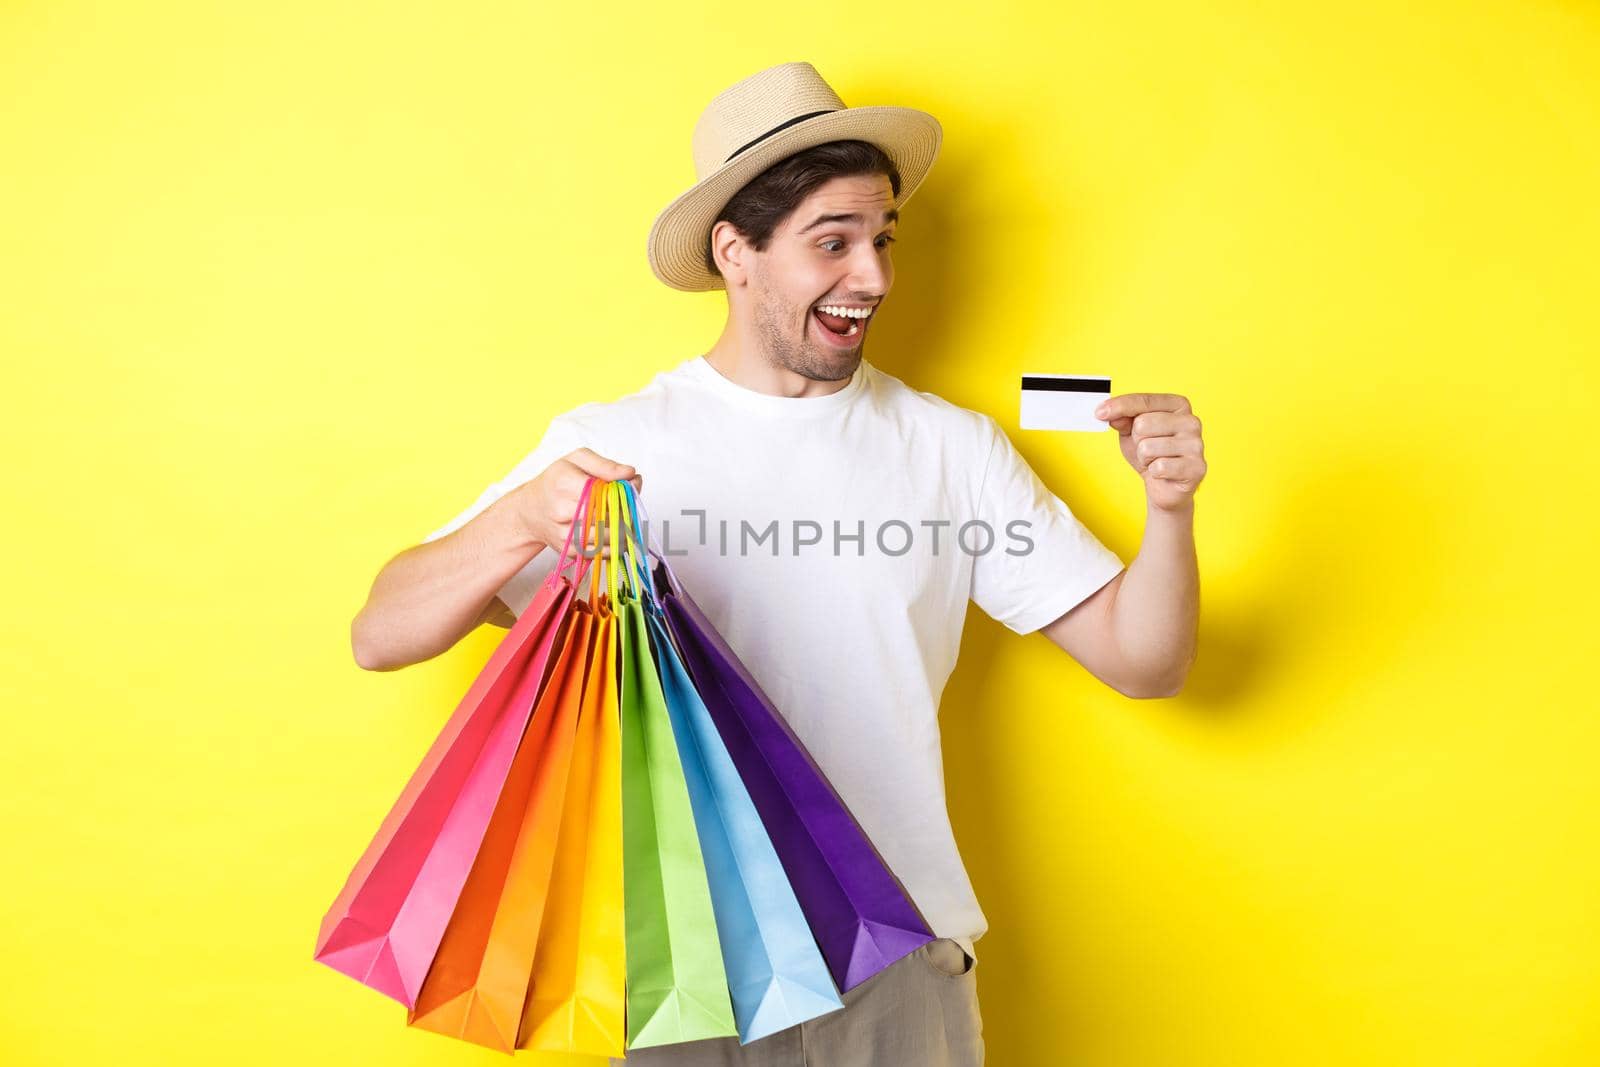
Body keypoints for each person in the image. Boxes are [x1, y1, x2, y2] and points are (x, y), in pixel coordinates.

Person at [350, 60, 1205, 1067]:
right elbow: (381, 632)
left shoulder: (949, 449)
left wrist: (1169, 510)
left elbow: (1143, 660)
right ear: (736, 251)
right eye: (832, 243)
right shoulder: (618, 442)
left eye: (883, 240)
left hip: (898, 966)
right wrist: (523, 521)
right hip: (691, 968)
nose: (874, 278)